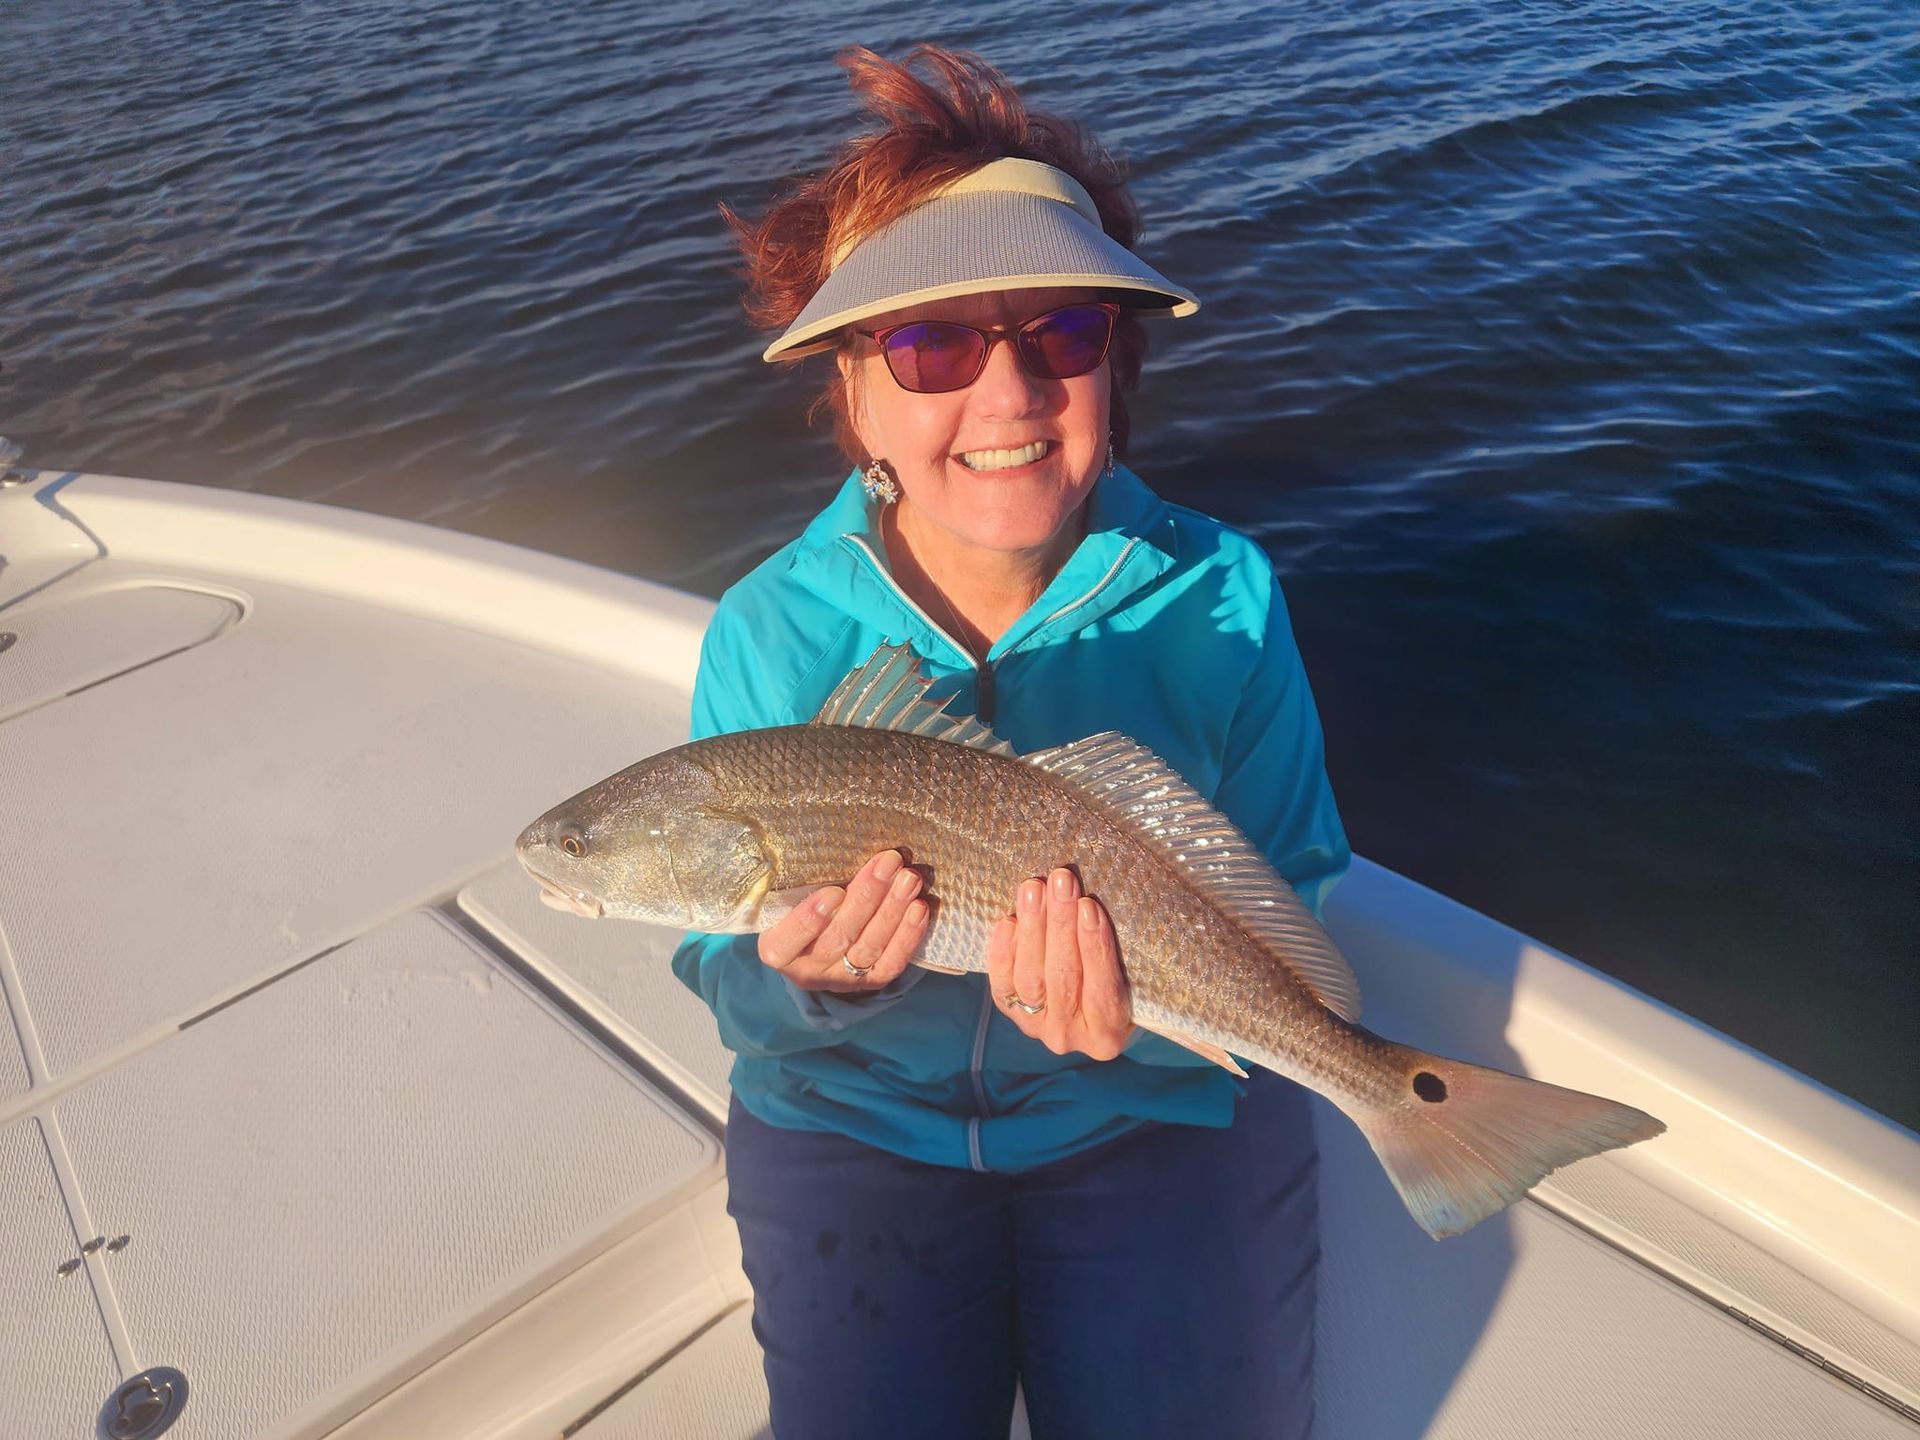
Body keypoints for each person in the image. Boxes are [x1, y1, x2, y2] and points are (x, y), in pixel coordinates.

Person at [671, 45, 1348, 1440]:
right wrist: (816, 990)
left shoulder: (1221, 593)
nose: (1008, 394)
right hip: (850, 1127)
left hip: (1153, 1113)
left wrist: (1151, 1030)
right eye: (931, 345)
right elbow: (724, 984)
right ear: (849, 389)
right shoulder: (767, 633)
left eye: (1062, 332)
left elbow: (1297, 887)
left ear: (1118, 356)